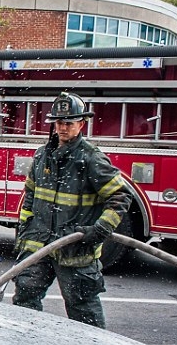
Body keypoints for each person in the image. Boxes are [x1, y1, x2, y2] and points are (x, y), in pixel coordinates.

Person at [11, 92, 132, 329]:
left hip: (75, 248)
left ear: (81, 124)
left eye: (69, 123)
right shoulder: (42, 156)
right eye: (59, 122)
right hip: (39, 245)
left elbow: (121, 195)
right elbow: (30, 196)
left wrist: (100, 230)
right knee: (25, 299)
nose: (63, 128)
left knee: (82, 309)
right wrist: (24, 232)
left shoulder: (91, 159)